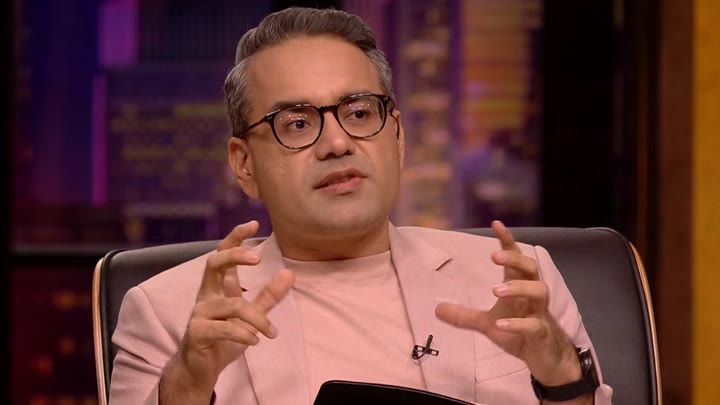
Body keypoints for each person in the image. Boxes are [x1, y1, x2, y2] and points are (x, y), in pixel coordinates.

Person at [109, 7, 613, 405]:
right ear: (244, 166)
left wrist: (563, 378)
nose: (337, 143)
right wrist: (188, 385)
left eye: (359, 113)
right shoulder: (168, 313)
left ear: (397, 138)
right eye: (297, 123)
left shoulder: (515, 281)